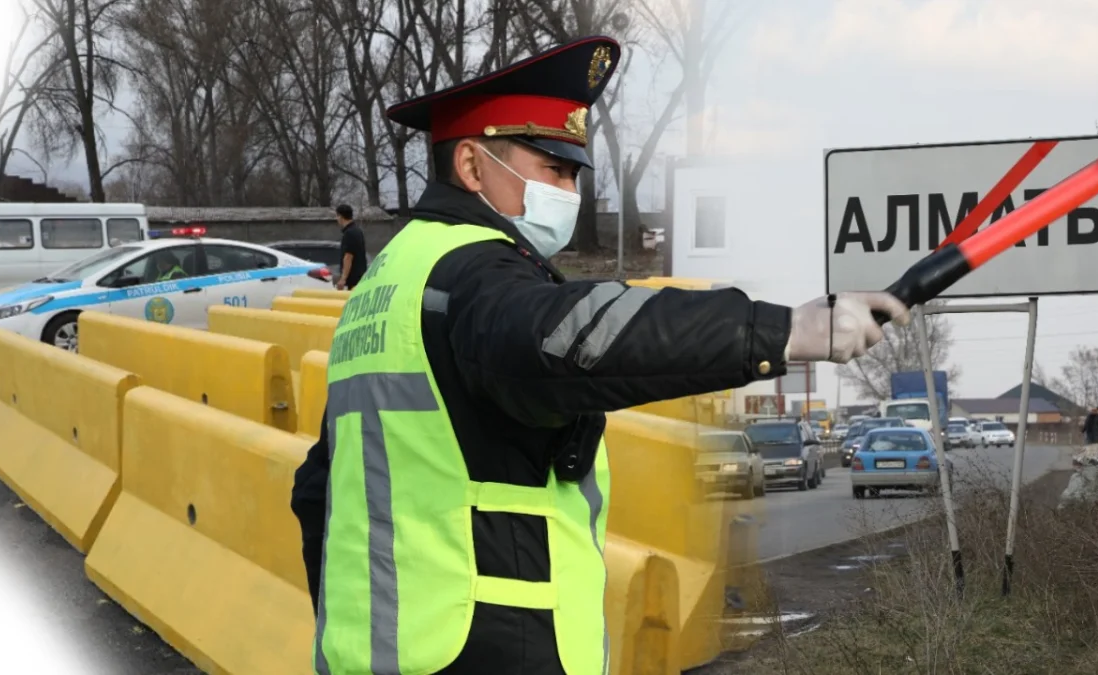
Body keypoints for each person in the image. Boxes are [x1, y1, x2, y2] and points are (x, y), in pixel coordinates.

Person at [290, 36, 910, 675]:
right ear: (473, 168)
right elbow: (569, 338)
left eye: (574, 174)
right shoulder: (474, 274)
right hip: (489, 645)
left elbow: (319, 489)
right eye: (551, 170)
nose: (569, 191)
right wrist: (784, 331)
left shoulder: (392, 279)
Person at [335, 204, 367, 290]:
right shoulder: (358, 231)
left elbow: (348, 256)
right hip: (360, 277)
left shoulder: (349, 233)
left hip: (353, 280)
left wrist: (343, 278)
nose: (337, 219)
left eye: (337, 216)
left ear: (341, 216)